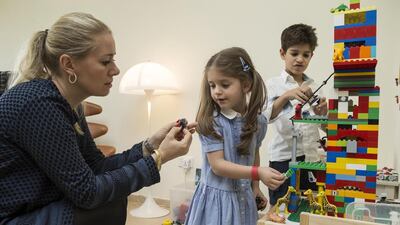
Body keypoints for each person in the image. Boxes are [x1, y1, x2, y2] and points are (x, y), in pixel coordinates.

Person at [0, 12, 195, 225]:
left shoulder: (69, 103)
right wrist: (160, 157)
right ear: (68, 64)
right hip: (13, 218)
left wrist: (149, 146)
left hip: (39, 206)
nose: (115, 69)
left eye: (114, 59)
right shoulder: (38, 104)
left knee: (112, 199)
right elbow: (87, 193)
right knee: (105, 207)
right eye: (105, 61)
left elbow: (96, 165)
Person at [185, 47, 286, 225]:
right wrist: (258, 172)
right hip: (216, 204)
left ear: (246, 85)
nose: (216, 91)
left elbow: (253, 152)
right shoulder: (212, 122)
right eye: (212, 85)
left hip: (243, 198)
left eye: (224, 85)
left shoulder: (258, 122)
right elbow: (218, 165)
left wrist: (255, 187)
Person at [263, 24, 328, 223]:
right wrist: (285, 96)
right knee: (281, 211)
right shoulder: (272, 84)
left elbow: (325, 128)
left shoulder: (315, 87)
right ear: (283, 53)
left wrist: (323, 114)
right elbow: (264, 118)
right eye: (294, 53)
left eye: (306, 55)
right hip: (283, 159)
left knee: (309, 209)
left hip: (311, 157)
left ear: (311, 56)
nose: (300, 59)